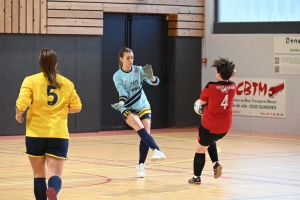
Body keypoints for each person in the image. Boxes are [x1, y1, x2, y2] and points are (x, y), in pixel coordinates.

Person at [15, 48, 82, 200]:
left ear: (40, 64)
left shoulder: (30, 80)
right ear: (56, 64)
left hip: (35, 134)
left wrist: (19, 114)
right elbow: (77, 107)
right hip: (58, 133)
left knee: (38, 175)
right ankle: (52, 189)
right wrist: (61, 110)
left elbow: (21, 105)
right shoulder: (67, 83)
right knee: (55, 174)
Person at [111, 47, 166, 178]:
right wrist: (121, 104)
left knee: (145, 134)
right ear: (121, 59)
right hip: (127, 107)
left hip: (142, 105)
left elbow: (154, 82)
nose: (131, 60)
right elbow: (122, 92)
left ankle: (141, 166)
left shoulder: (138, 69)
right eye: (128, 58)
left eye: (132, 58)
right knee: (139, 127)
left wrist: (152, 77)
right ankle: (157, 150)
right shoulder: (117, 76)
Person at [188, 57, 236, 184]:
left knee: (200, 150)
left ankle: (196, 177)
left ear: (218, 74)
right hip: (225, 127)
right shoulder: (233, 86)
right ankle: (216, 163)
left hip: (210, 125)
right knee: (210, 140)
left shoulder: (211, 86)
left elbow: (202, 102)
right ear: (231, 74)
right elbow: (230, 77)